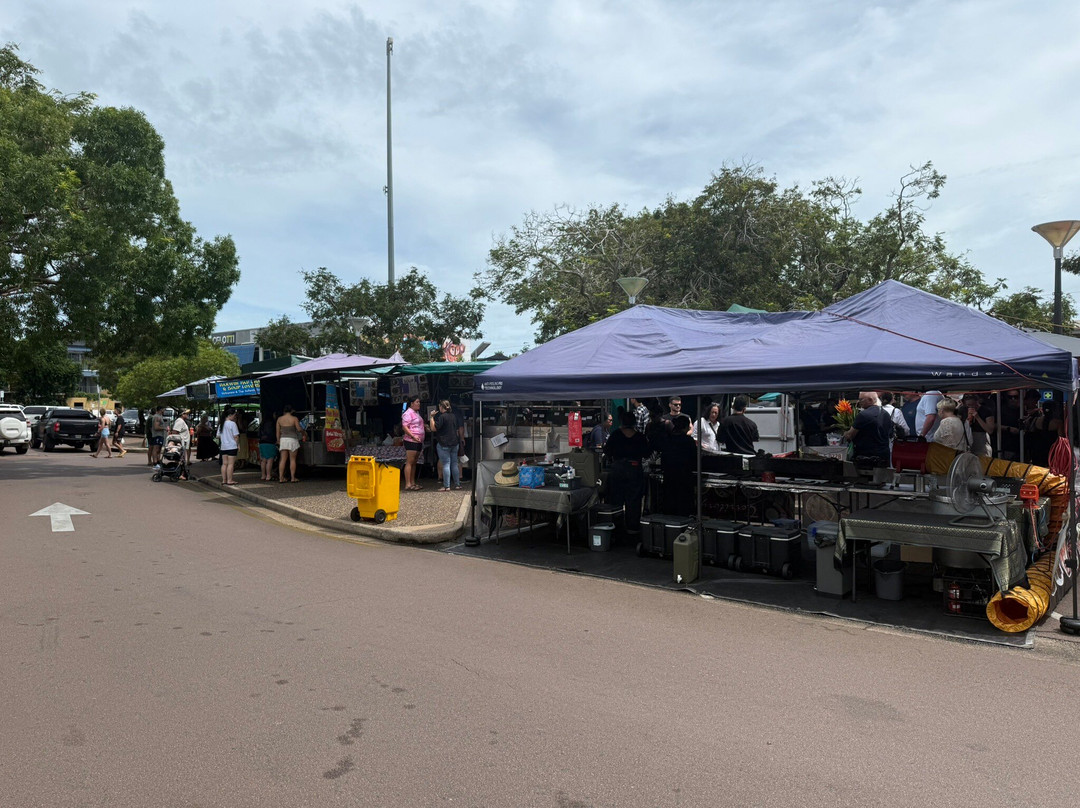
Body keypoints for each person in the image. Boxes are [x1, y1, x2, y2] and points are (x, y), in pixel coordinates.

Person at [604, 411, 651, 536]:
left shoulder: (616, 435)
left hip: (618, 469)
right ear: (634, 422)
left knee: (616, 499)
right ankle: (632, 528)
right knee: (634, 500)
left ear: (622, 422)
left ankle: (616, 527)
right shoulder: (640, 437)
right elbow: (647, 453)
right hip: (635, 469)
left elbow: (607, 451)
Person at [843, 391, 893, 467]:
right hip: (883, 456)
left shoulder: (863, 415)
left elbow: (850, 435)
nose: (859, 402)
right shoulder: (886, 414)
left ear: (870, 400)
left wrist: (845, 433)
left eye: (861, 399)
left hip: (867, 458)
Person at [660, 414, 696, 516]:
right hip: (684, 476)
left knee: (670, 502)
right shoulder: (689, 441)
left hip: (669, 475)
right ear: (685, 427)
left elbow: (663, 458)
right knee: (683, 505)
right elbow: (694, 459)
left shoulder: (667, 440)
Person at [429, 399, 462, 492]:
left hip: (444, 443)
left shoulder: (442, 417)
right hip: (454, 442)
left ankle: (447, 486)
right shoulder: (453, 416)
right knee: (454, 464)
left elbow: (433, 428)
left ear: (441, 407)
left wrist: (431, 417)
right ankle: (457, 484)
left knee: (446, 464)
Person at [276, 405, 306, 484]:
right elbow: (299, 429)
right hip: (292, 439)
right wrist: (304, 433)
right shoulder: (294, 418)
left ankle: (281, 478)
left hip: (283, 440)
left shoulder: (279, 419)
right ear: (292, 410)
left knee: (283, 459)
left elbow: (278, 432)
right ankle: (293, 478)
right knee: (292, 460)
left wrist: (278, 440)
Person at [960, 393, 995, 458]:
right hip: (967, 439)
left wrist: (977, 417)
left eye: (973, 405)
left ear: (977, 402)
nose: (971, 407)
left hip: (981, 439)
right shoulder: (962, 410)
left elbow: (990, 430)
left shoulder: (986, 411)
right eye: (968, 405)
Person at [218, 408, 241, 485]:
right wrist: (238, 444)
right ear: (230, 415)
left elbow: (218, 436)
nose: (235, 417)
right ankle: (230, 480)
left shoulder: (221, 424)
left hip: (223, 446)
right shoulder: (232, 424)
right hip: (232, 446)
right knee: (231, 464)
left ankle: (224, 480)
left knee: (224, 464)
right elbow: (236, 436)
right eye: (234, 415)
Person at [258, 410, 277, 481]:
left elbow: (258, 434)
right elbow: (274, 433)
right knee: (270, 459)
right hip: (270, 442)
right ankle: (268, 475)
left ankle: (263, 475)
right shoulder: (273, 423)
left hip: (262, 443)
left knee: (263, 460)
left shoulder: (262, 423)